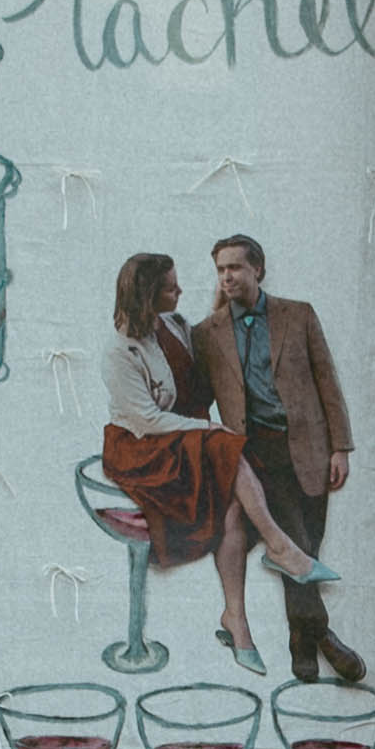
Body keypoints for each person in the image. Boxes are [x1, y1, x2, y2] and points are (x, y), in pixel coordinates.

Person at [95, 249, 342, 670]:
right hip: (141, 447)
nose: (181, 290)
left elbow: (210, 346)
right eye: (171, 287)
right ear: (150, 294)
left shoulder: (173, 325)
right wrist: (210, 429)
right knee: (228, 446)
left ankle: (236, 619)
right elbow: (148, 420)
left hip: (183, 438)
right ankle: (282, 548)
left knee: (231, 509)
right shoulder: (121, 351)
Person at [190, 231, 367, 687]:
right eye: (220, 269)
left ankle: (301, 642)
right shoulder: (207, 333)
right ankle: (326, 640)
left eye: (235, 267)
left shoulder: (298, 314)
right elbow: (196, 401)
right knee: (291, 544)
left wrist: (340, 446)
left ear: (257, 270)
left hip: (307, 447)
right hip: (253, 455)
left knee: (305, 546)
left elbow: (327, 380)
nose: (227, 276)